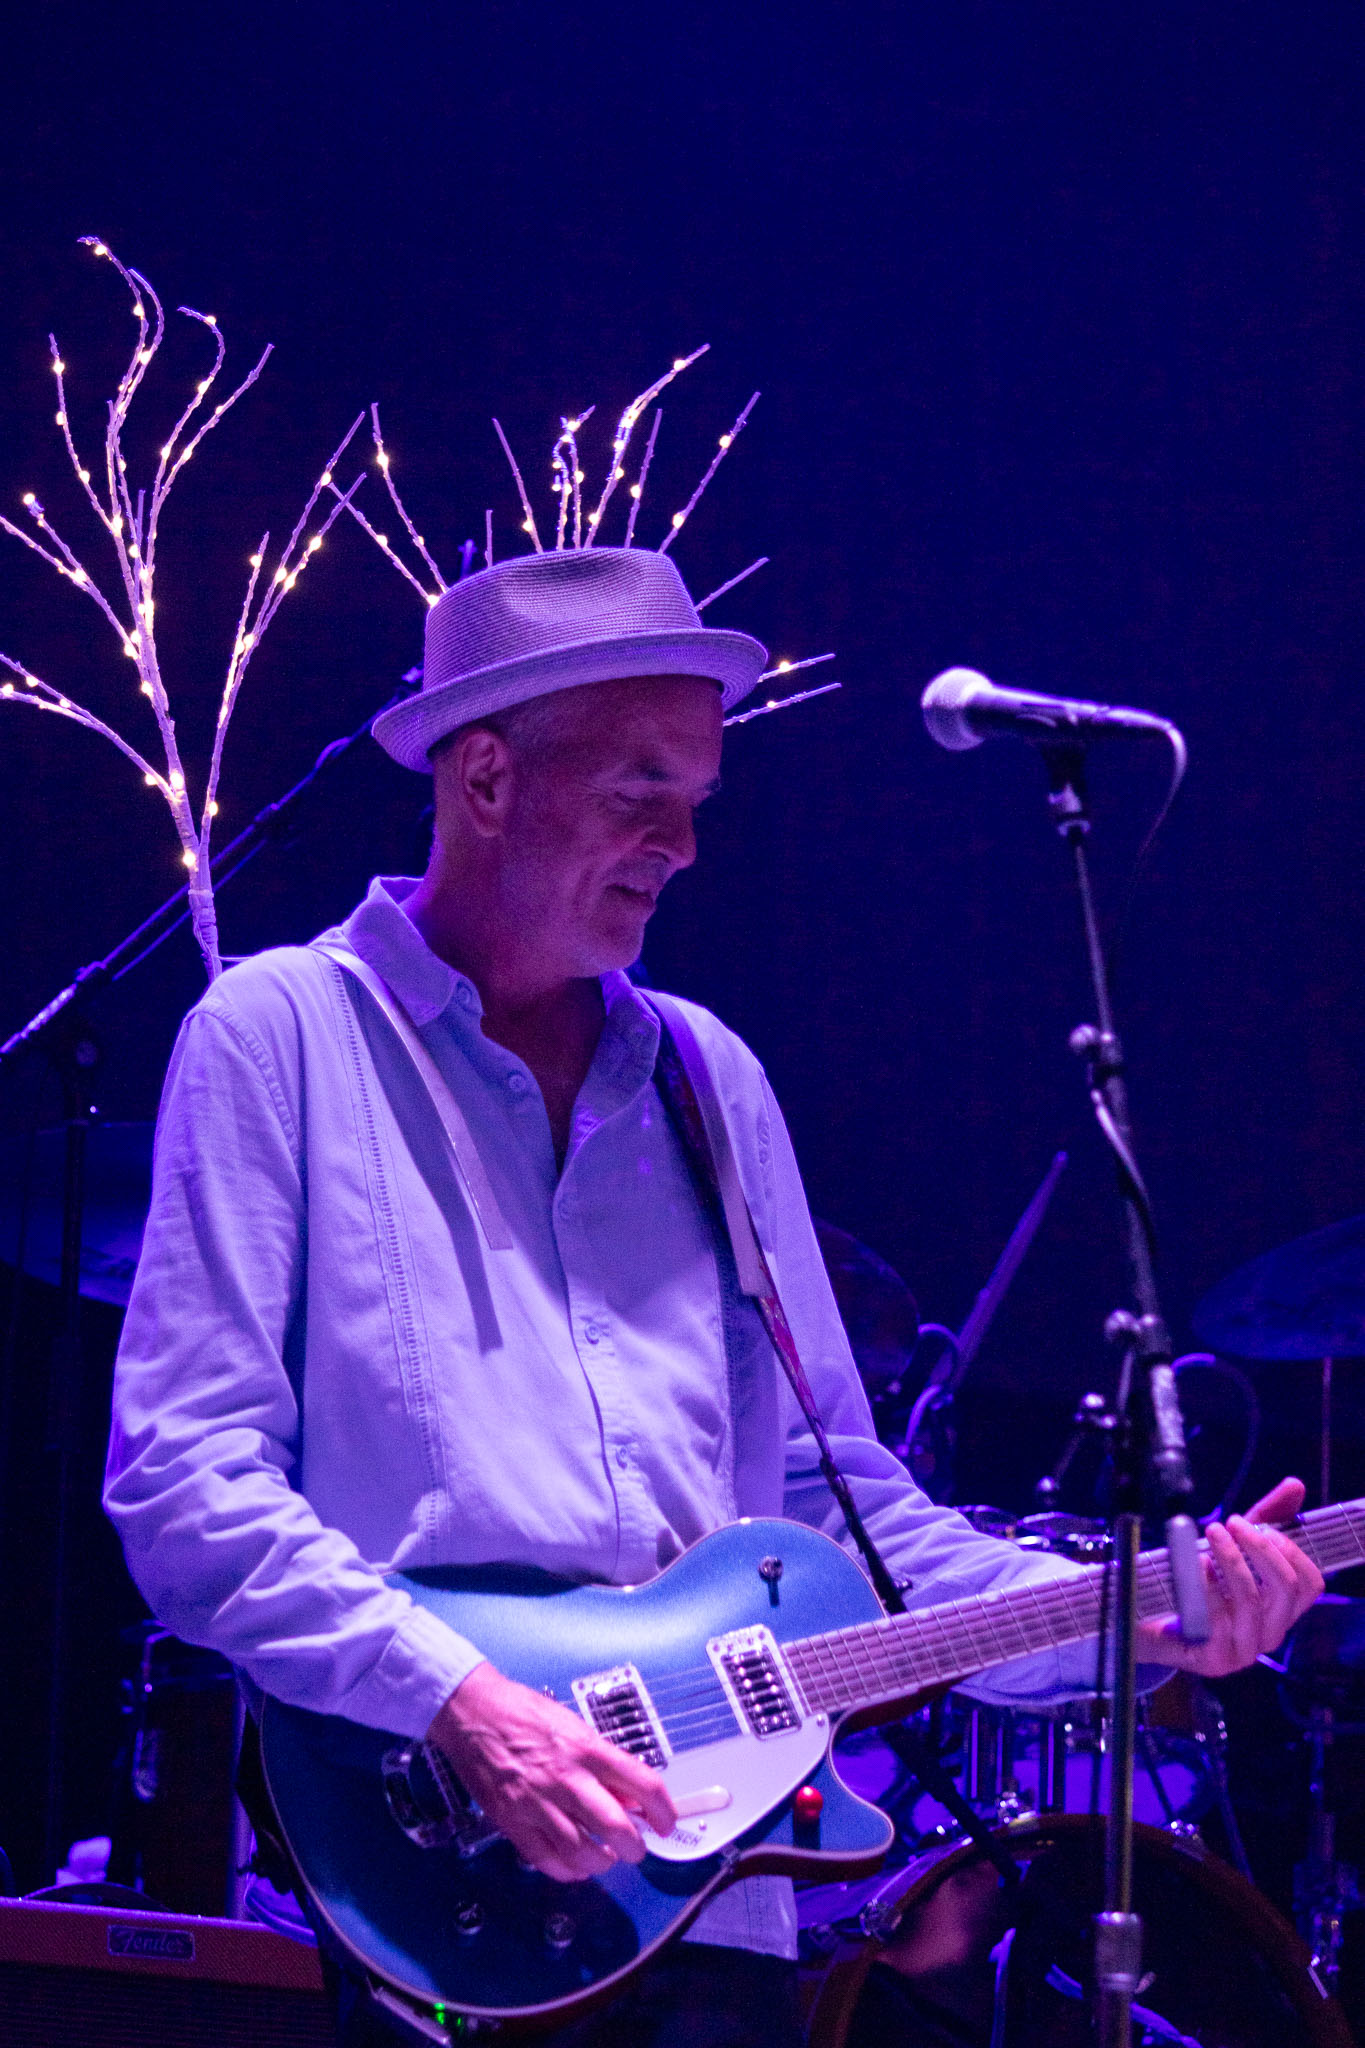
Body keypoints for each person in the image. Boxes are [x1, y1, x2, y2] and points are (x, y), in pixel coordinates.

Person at [105, 545, 1323, 2047]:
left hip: (718, 1902)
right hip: (437, 1867)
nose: (680, 846)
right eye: (640, 793)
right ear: (484, 777)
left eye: (695, 800)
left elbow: (850, 1530)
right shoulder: (279, 1034)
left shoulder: (709, 1079)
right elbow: (186, 1482)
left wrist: (1140, 1624)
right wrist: (462, 1702)